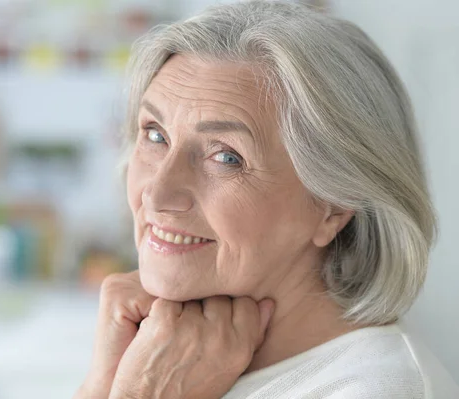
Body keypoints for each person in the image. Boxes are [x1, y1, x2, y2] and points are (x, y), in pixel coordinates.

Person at [75, 1, 459, 397]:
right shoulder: (169, 356)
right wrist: (101, 382)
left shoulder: (380, 390)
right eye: (156, 135)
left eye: (226, 157)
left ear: (335, 204)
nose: (156, 194)